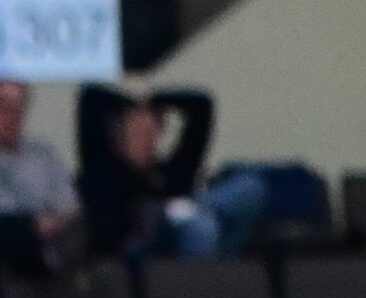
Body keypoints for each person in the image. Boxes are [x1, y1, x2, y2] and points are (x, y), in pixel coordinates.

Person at [76, 82, 266, 261]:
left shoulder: (171, 171)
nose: (147, 140)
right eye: (138, 132)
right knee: (202, 224)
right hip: (141, 246)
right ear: (118, 136)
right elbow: (90, 97)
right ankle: (184, 214)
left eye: (152, 132)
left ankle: (187, 210)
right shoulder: (102, 167)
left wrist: (154, 99)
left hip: (196, 238)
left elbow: (202, 105)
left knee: (252, 186)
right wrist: (135, 103)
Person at [0, 79, 82, 276]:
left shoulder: (42, 153)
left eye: (18, 106)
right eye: (4, 105)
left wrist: (51, 222)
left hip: (51, 244)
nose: (12, 115)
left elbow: (71, 205)